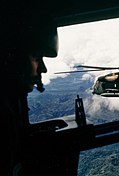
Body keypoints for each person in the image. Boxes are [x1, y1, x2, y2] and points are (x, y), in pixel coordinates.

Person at [0, 12, 79, 175]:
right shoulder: (3, 114)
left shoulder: (9, 107)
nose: (43, 69)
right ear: (11, 57)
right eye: (36, 57)